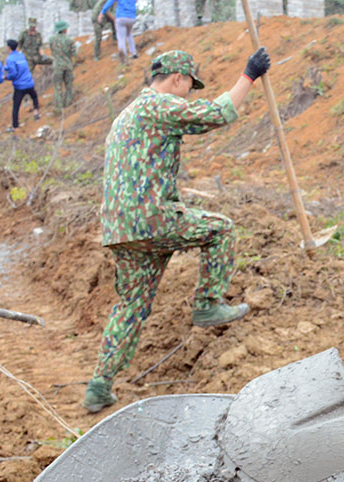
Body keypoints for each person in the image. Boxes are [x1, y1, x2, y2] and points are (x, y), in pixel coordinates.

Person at [83, 48, 271, 413]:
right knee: (221, 229)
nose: (189, 93)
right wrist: (248, 75)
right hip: (150, 219)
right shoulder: (158, 105)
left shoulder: (126, 115)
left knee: (131, 306)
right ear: (177, 79)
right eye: (189, 86)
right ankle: (206, 305)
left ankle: (99, 385)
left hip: (121, 228)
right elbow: (216, 114)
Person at [4, 39, 40, 131]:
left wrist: (5, 77)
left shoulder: (10, 58)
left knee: (15, 107)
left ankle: (15, 127)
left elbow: (13, 74)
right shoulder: (21, 55)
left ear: (9, 47)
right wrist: (5, 67)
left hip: (20, 86)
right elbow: (20, 67)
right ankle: (36, 112)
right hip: (29, 82)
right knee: (34, 97)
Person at [49, 21, 76, 109]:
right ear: (64, 29)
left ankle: (59, 107)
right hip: (68, 65)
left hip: (57, 65)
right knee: (69, 87)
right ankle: (68, 105)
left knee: (58, 87)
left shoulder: (51, 39)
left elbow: (52, 50)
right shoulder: (70, 40)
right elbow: (74, 53)